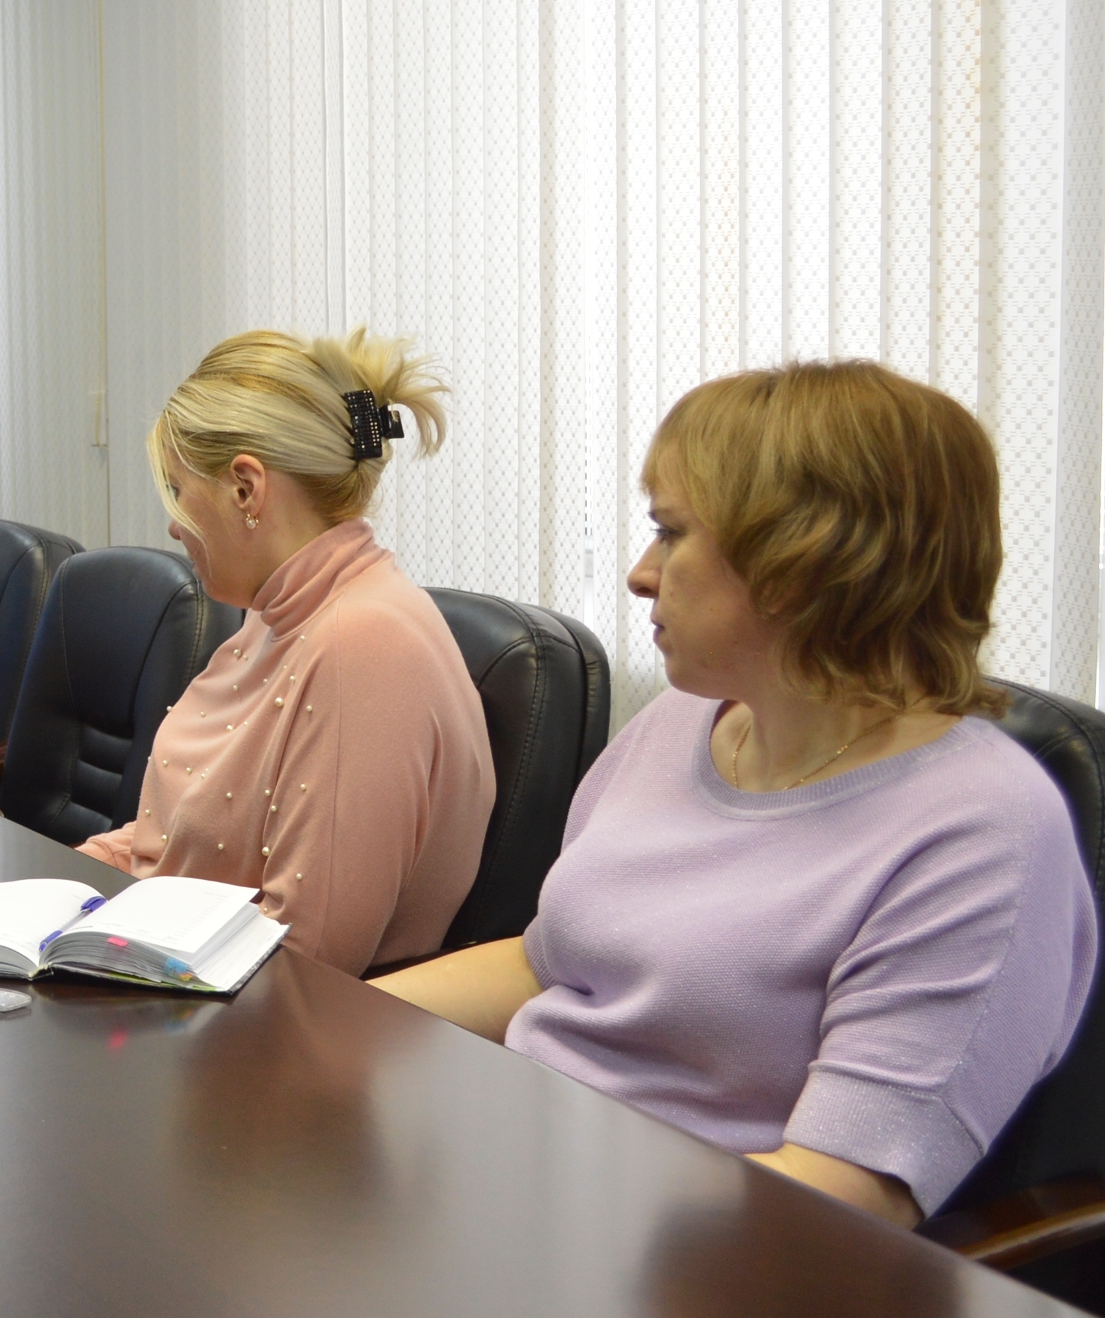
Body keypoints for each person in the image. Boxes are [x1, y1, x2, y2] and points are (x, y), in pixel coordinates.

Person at [376, 361, 1096, 1228]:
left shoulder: (984, 832)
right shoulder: (685, 718)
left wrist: (526, 1196)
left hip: (695, 1251)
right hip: (519, 1174)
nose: (641, 573)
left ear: (799, 564)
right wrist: (327, 1030)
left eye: (671, 533)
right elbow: (544, 964)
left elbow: (842, 1195)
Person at [74, 330, 493, 976]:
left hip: (269, 1023)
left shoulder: (362, 645)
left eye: (179, 491)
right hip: (183, 973)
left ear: (246, 487)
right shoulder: (280, 615)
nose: (174, 525)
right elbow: (180, 837)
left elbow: (306, 960)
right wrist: (64, 885)